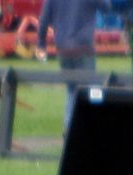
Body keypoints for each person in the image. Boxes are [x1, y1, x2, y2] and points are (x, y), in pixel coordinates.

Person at [37, 0, 96, 128]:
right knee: (90, 89)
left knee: (71, 90)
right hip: (83, 47)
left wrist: (41, 44)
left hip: (63, 48)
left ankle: (69, 128)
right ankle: (89, 128)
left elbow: (44, 19)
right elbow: (106, 6)